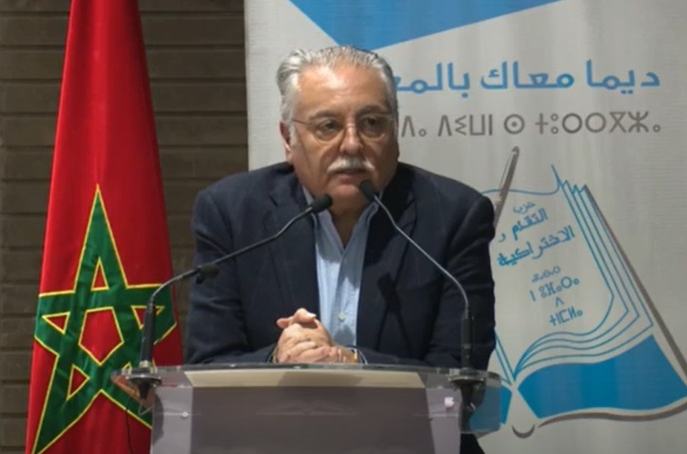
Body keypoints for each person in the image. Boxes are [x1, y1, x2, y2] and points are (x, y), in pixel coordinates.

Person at [183, 46, 496, 453]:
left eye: (372, 123)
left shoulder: (454, 215)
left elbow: (463, 380)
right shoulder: (231, 212)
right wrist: (281, 359)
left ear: (395, 133)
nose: (352, 144)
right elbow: (206, 367)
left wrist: (348, 363)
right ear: (288, 138)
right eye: (328, 126)